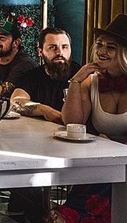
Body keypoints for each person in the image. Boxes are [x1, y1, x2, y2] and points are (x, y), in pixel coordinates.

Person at [48, 14, 127, 222]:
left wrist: (115, 146)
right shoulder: (91, 82)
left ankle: (71, 215)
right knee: (100, 169)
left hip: (118, 158)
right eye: (99, 44)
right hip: (110, 160)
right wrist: (76, 81)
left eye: (111, 47)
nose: (101, 51)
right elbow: (72, 122)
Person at [10, 27, 81, 124]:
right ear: (40, 52)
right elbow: (16, 101)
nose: (60, 52)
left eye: (65, 47)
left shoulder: (81, 75)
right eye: (52, 47)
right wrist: (44, 110)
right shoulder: (33, 76)